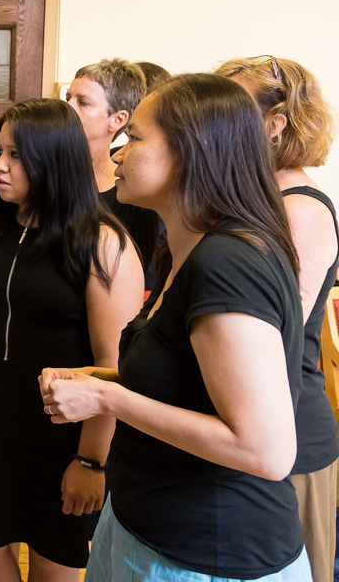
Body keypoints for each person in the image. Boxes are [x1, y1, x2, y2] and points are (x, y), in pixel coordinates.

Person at [40, 74, 311, 581]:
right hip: (147, 531)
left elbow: (265, 450)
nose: (118, 155)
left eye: (135, 138)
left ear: (192, 150)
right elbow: (188, 389)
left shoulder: (227, 261)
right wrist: (98, 380)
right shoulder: (187, 247)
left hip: (207, 554)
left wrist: (107, 401)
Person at [0, 98, 143, 582]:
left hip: (62, 425)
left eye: (14, 155)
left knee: (54, 558)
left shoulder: (100, 242)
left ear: (52, 160)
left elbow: (115, 363)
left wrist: (90, 459)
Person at [215, 56, 338, 582]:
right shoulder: (259, 201)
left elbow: (278, 344)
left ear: (274, 123)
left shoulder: (300, 210)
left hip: (292, 442)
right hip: (252, 431)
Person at [67, 59, 162, 288]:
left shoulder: (134, 195)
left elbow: (132, 279)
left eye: (83, 102)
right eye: (68, 98)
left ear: (117, 120)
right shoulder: (45, 175)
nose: (68, 108)